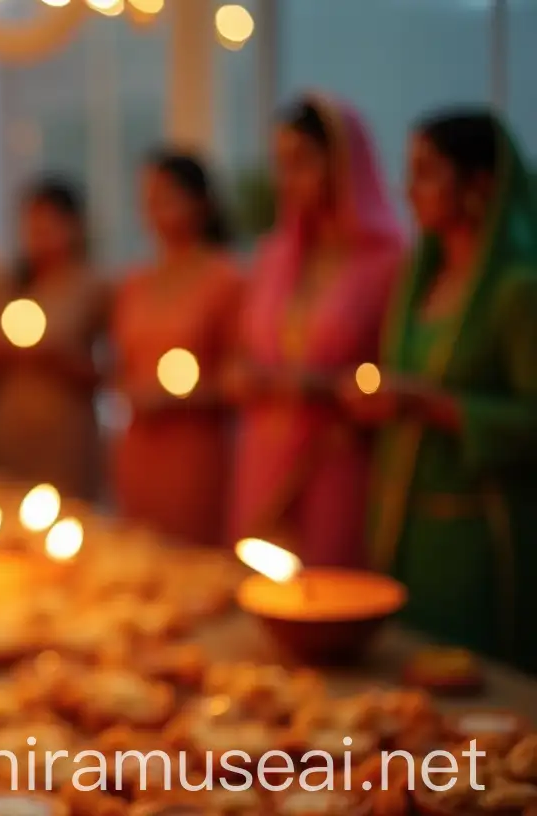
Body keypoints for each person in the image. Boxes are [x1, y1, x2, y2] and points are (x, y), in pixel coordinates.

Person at [341, 110, 537, 671]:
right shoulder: (420, 278)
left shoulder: (516, 290)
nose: (410, 189)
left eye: (427, 172)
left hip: (480, 529)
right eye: (409, 172)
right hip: (408, 521)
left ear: (479, 185)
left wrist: (430, 405)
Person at [229, 95, 404, 567]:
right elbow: (245, 350)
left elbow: (394, 373)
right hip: (265, 454)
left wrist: (322, 385)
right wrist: (243, 375)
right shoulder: (274, 257)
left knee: (330, 601)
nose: (288, 179)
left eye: (302, 162)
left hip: (337, 462)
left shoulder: (388, 264)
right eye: (281, 164)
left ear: (344, 164)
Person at [113, 152, 244, 545]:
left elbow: (239, 378)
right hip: (139, 444)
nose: (155, 210)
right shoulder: (136, 282)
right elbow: (123, 363)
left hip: (193, 448)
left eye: (167, 197)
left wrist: (179, 396)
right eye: (148, 199)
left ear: (201, 203)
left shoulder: (226, 279)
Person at [0, 180, 106, 496]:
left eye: (48, 225)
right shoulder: (9, 285)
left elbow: (108, 371)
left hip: (63, 429)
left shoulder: (90, 287)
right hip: (11, 424)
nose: (37, 235)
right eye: (31, 225)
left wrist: (56, 357)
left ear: (73, 227)